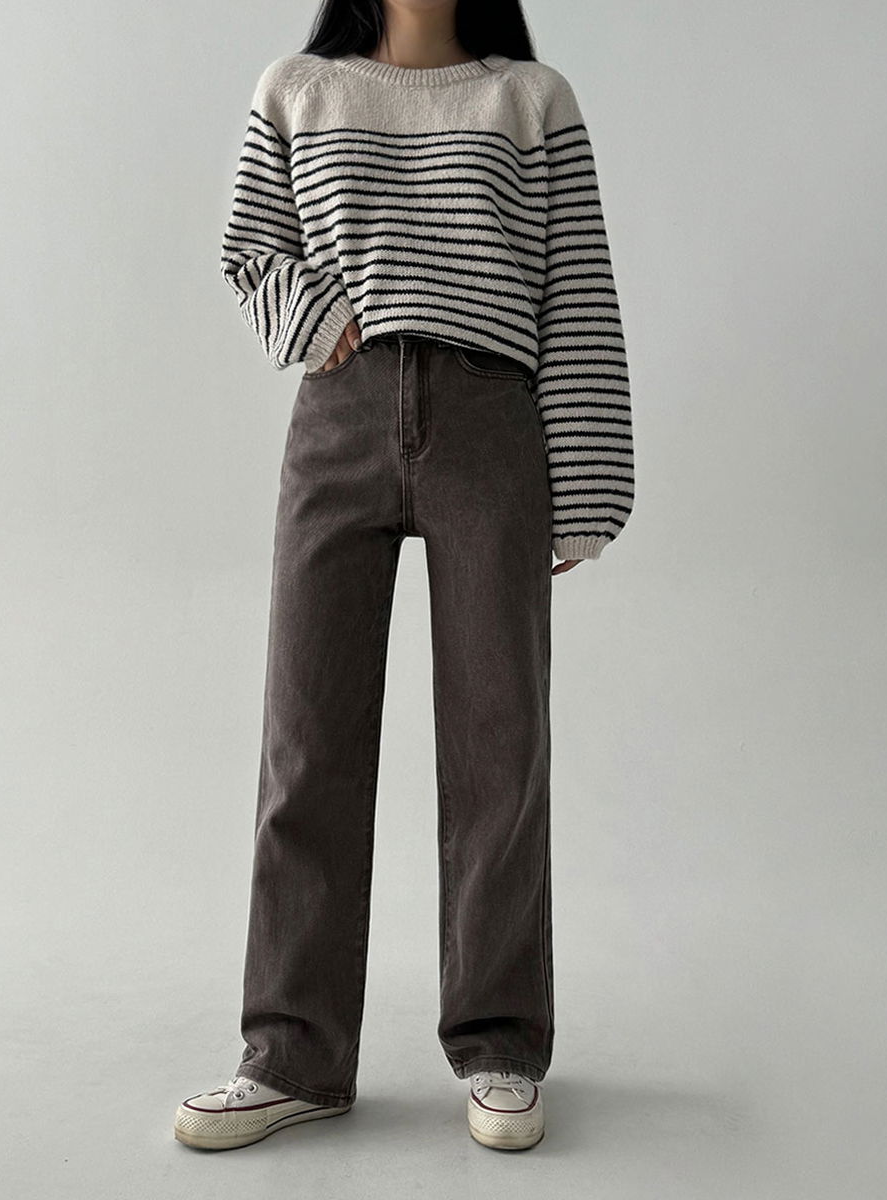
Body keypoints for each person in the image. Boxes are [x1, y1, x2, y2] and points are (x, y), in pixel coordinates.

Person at [174, 0, 634, 1153]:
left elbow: (575, 291)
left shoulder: (529, 99)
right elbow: (249, 245)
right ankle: (291, 1056)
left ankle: (500, 1046)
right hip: (340, 417)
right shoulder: (298, 87)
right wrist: (313, 314)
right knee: (306, 739)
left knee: (498, 744)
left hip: (491, 422)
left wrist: (586, 481)